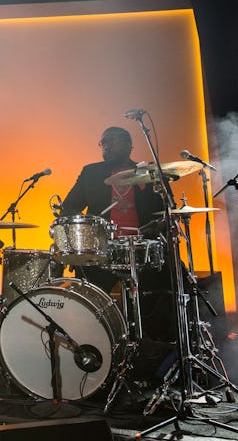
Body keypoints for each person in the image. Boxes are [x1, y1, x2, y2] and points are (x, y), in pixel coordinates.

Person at [60, 126, 174, 341]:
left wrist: (155, 213)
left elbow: (165, 211)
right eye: (103, 142)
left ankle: (156, 341)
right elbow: (69, 208)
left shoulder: (147, 173)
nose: (107, 146)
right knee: (90, 300)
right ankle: (92, 341)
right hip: (102, 248)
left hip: (140, 246)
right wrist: (85, 234)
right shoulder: (91, 173)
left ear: (129, 145)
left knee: (164, 286)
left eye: (113, 140)